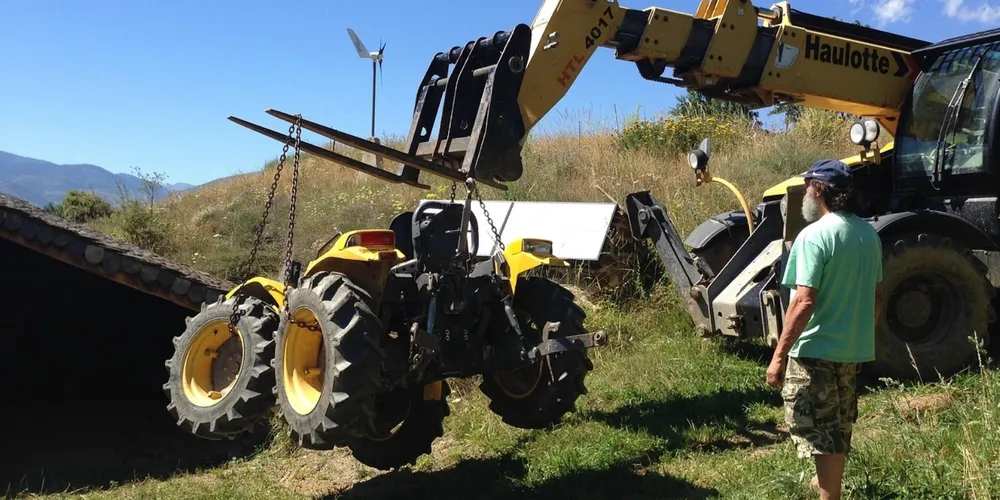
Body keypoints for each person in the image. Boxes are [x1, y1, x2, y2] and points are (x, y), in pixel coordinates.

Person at [765, 159, 884, 500]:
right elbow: (876, 297)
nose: (804, 192)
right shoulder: (868, 234)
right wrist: (861, 343)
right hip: (850, 351)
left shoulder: (814, 235)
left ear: (819, 191)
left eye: (807, 186)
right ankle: (827, 487)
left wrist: (778, 356)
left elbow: (803, 301)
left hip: (813, 352)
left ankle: (829, 496)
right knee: (839, 426)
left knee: (819, 431)